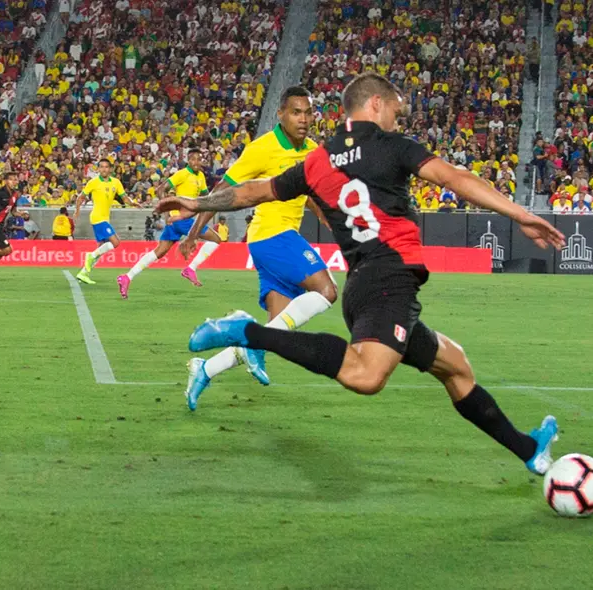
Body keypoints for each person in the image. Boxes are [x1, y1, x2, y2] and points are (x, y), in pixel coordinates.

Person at [156, 72, 565, 476]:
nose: (396, 121)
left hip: (365, 287)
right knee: (366, 376)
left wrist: (197, 203)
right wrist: (521, 215)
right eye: (395, 112)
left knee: (455, 366)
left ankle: (528, 449)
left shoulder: (317, 160)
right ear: (375, 104)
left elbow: (251, 191)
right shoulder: (393, 146)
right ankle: (247, 332)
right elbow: (455, 178)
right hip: (389, 281)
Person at [182, 86, 339, 410]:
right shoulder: (263, 148)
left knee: (274, 335)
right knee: (327, 291)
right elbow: (223, 189)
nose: (303, 119)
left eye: (308, 113)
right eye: (296, 112)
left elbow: (309, 192)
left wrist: (328, 217)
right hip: (273, 235)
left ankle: (205, 370)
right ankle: (242, 326)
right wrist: (195, 232)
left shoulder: (312, 151)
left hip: (272, 241)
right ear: (280, 114)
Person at [118, 150, 221, 297]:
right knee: (216, 239)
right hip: (181, 219)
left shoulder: (201, 176)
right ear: (188, 160)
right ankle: (191, 268)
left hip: (178, 221)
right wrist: (166, 212)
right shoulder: (182, 174)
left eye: (199, 159)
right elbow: (161, 189)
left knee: (159, 252)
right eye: (193, 159)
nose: (196, 162)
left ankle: (127, 277)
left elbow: (205, 196)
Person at [73, 159, 134, 284]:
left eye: (106, 167)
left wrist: (133, 203)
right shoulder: (93, 182)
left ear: (110, 169)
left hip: (105, 218)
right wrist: (77, 210)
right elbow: (81, 197)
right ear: (98, 169)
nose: (104, 169)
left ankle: (84, 273)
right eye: (101, 167)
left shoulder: (116, 182)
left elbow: (124, 198)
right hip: (97, 217)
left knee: (100, 250)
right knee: (115, 242)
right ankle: (90, 256)